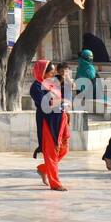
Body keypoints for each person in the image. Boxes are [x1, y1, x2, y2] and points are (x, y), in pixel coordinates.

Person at [30, 60, 69, 191]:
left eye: (54, 73)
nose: (53, 76)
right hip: (48, 122)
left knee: (64, 149)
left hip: (60, 120)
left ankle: (44, 168)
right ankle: (55, 183)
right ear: (42, 73)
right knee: (51, 153)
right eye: (51, 73)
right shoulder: (36, 87)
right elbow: (44, 104)